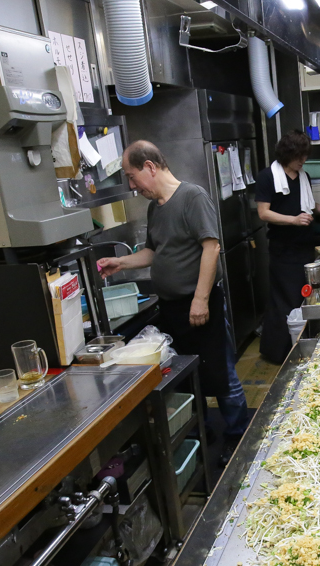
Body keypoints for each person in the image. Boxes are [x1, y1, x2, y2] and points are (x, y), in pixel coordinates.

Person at [97, 141, 249, 445]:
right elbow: (155, 251)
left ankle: (239, 437)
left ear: (150, 167)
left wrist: (200, 299)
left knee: (220, 374)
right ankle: (200, 436)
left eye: (131, 176)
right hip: (172, 310)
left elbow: (212, 247)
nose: (132, 185)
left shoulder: (193, 196)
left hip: (199, 306)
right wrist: (121, 262)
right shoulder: (156, 208)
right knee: (186, 376)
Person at [255, 130, 320, 364]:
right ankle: (278, 354)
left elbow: (305, 206)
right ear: (287, 154)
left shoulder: (303, 176)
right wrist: (294, 219)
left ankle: (299, 349)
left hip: (303, 246)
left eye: (304, 156)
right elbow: (263, 213)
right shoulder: (267, 177)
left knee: (303, 300)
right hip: (283, 248)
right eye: (299, 156)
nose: (303, 160)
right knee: (285, 301)